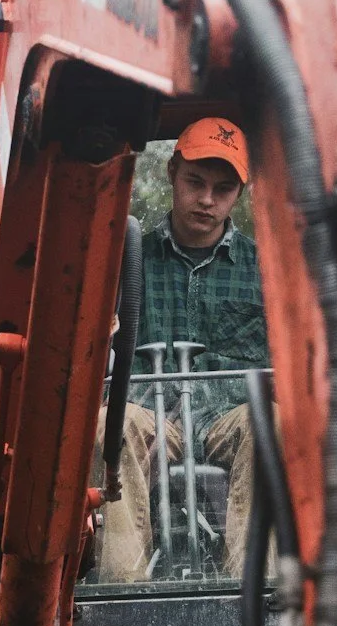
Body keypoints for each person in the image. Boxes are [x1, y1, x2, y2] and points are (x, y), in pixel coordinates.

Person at [100, 119, 270, 580]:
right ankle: (124, 594)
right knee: (108, 425)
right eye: (195, 182)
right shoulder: (122, 260)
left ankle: (252, 598)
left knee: (269, 425)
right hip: (148, 417)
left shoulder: (266, 270)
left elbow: (283, 370)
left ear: (241, 192)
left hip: (228, 418)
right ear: (172, 171)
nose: (207, 199)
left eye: (223, 188)